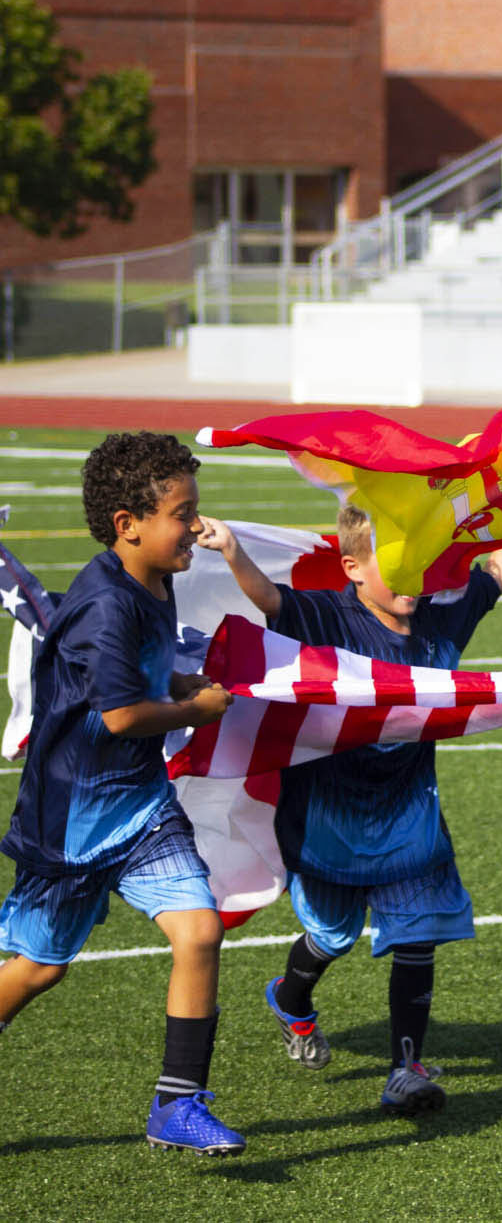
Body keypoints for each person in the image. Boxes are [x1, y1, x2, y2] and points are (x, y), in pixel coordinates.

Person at [200, 503, 502, 1114]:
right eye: (394, 563)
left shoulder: (440, 618)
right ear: (351, 567)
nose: (412, 575)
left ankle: (406, 1068)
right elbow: (271, 601)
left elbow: (497, 574)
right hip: (330, 808)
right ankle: (291, 998)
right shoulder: (329, 614)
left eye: (419, 560)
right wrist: (229, 549)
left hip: (410, 806)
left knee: (418, 935)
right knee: (332, 933)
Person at [0, 432, 241, 1153]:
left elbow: (138, 678)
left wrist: (174, 680)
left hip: (138, 802)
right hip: (72, 816)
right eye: (183, 512)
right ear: (127, 525)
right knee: (40, 966)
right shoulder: (106, 603)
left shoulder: (154, 577)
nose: (195, 525)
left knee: (199, 929)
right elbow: (118, 714)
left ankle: (176, 1104)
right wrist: (193, 710)